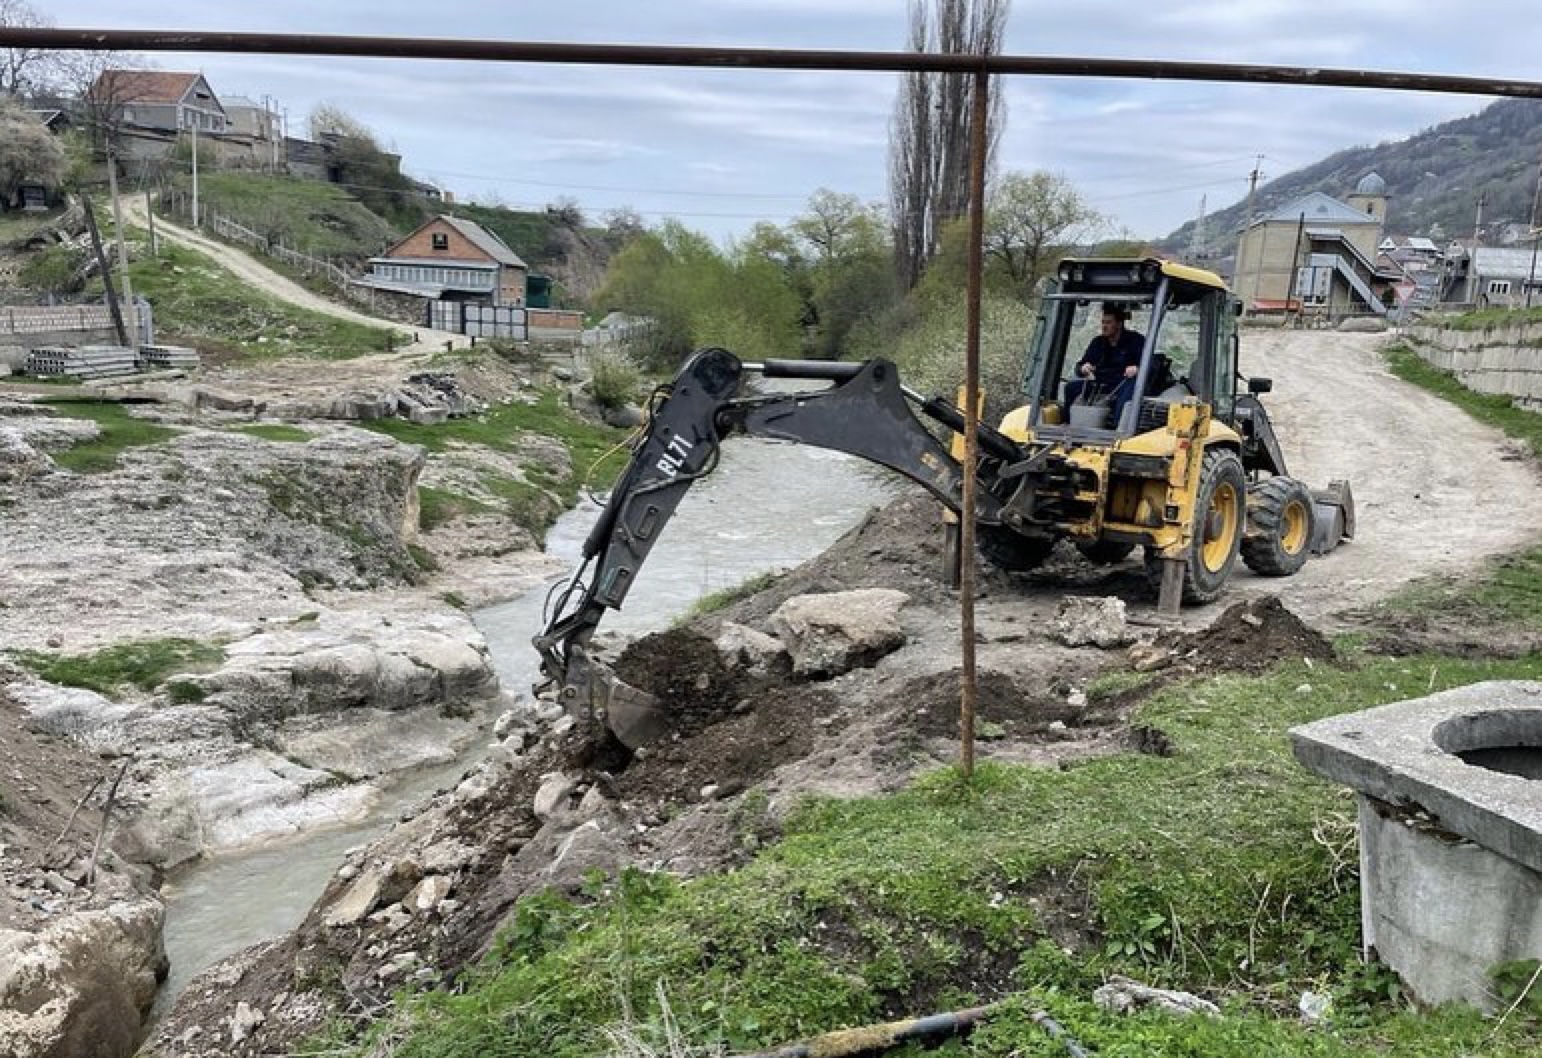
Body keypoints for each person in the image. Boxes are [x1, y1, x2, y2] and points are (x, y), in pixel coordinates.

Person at [1064, 303, 1145, 427]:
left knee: (1129, 390)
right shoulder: (1098, 342)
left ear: (1119, 324)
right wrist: (1083, 368)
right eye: (1103, 322)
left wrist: (1137, 369)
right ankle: (1068, 423)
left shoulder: (1136, 341)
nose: (1104, 326)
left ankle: (1118, 427)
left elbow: (1150, 365)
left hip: (1123, 383)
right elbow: (1080, 365)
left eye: (1108, 322)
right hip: (1101, 383)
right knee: (1071, 388)